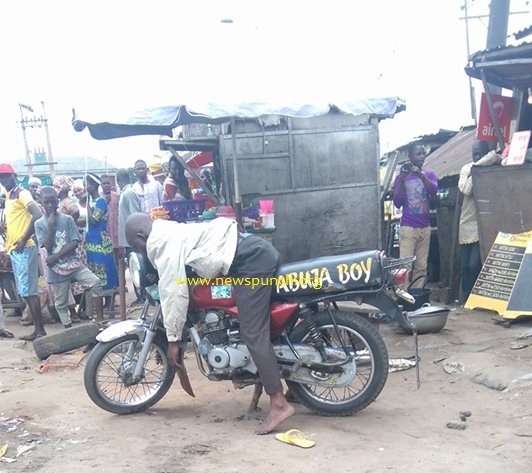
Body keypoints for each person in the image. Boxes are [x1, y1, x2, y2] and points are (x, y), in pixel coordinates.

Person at [125, 213, 294, 434]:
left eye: (136, 245)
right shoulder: (165, 229)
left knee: (252, 331)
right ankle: (297, 388)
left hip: (250, 261)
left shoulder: (160, 242)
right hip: (252, 252)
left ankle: (279, 404)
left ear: (141, 235)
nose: (139, 251)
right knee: (263, 326)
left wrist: (174, 339)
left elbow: (173, 293)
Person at [34, 187, 104, 327]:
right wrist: (50, 226)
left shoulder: (67, 220)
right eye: (46, 202)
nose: (49, 206)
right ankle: (68, 328)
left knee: (95, 283)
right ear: (41, 202)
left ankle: (100, 321)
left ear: (57, 202)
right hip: (56, 270)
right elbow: (46, 247)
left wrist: (56, 256)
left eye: (52, 202)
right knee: (60, 302)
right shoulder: (39, 224)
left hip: (73, 264)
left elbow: (74, 243)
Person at [0, 163, 46, 341]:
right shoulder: (9, 195)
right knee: (26, 291)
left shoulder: (22, 193)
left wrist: (23, 238)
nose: (3, 180)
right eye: (1, 178)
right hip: (15, 248)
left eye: (6, 176)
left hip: (24, 247)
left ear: (15, 175)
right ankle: (38, 330)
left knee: (29, 291)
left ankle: (40, 331)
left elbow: (37, 214)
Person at [458, 140, 500, 303]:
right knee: (465, 266)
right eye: (473, 153)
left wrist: (477, 167)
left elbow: (495, 156)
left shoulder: (481, 166)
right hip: (466, 224)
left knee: (475, 264)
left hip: (481, 224)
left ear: (484, 151)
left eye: (479, 153)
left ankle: (476, 298)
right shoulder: (466, 169)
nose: (476, 156)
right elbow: (467, 189)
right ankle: (467, 299)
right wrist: (476, 169)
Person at [392, 143, 438, 289]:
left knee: (421, 267)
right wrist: (403, 179)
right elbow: (397, 203)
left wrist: (420, 174)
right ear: (410, 157)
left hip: (425, 228)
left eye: (423, 153)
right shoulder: (401, 177)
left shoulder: (429, 174)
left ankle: (416, 297)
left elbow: (433, 192)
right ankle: (402, 297)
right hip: (408, 228)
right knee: (405, 267)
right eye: (418, 154)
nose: (421, 157)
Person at [85, 173, 119, 319]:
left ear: (91, 186)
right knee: (96, 273)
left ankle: (109, 305)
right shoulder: (95, 202)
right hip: (92, 242)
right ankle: (101, 305)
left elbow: (93, 220)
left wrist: (87, 207)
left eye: (86, 184)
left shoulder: (100, 202)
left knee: (106, 272)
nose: (85, 187)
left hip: (100, 241)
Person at [116, 168, 144, 308]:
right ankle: (140, 296)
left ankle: (143, 296)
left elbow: (135, 216)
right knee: (134, 267)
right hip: (128, 239)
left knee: (137, 267)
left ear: (118, 180)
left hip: (133, 238)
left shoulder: (128, 193)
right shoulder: (125, 193)